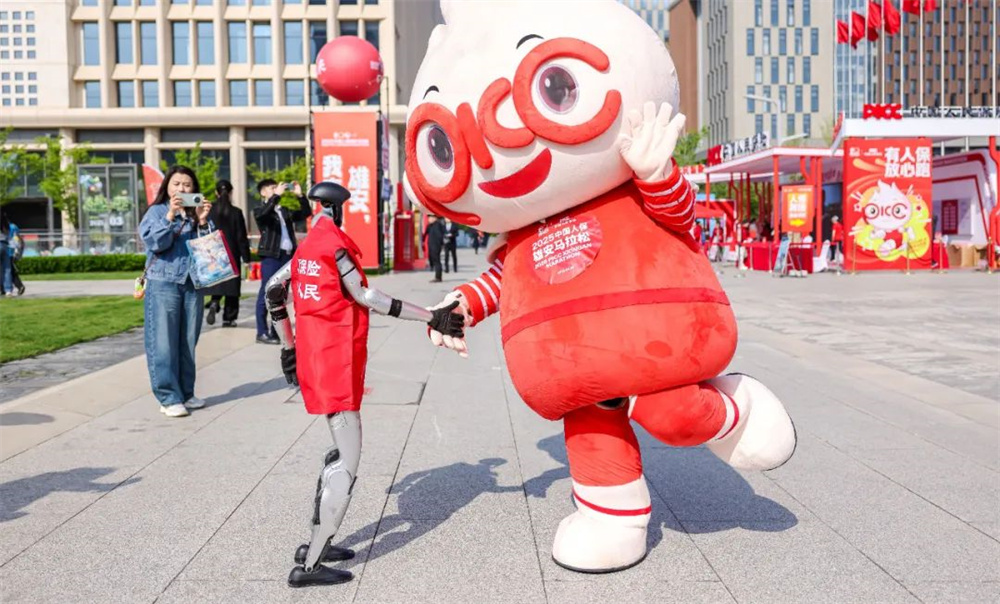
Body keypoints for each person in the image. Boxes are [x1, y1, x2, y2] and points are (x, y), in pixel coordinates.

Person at [264, 181, 467, 587]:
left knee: (336, 454)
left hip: (316, 358)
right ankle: (310, 566)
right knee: (347, 461)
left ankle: (318, 542)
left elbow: (273, 292)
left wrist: (288, 347)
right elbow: (366, 295)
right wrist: (431, 316)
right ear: (338, 209)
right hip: (335, 363)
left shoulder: (307, 249)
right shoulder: (335, 249)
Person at [138, 166, 213, 418]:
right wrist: (170, 215)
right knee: (163, 342)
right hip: (163, 282)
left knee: (188, 341)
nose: (182, 188)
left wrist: (202, 220)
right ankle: (168, 397)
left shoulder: (196, 214)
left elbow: (210, 249)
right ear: (167, 187)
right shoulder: (156, 212)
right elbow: (155, 243)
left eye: (187, 185)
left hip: (192, 283)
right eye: (176, 184)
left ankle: (186, 393)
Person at [253, 179, 311, 344]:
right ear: (263, 192)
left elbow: (305, 213)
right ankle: (262, 332)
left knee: (281, 296)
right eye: (272, 188)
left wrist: (300, 195)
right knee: (266, 293)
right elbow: (263, 215)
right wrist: (275, 196)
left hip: (287, 257)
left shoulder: (283, 211)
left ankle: (276, 331)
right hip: (271, 257)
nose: (277, 190)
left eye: (277, 187)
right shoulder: (261, 210)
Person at [202, 180, 251, 327]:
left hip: (214, 253)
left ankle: (214, 302)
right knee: (232, 288)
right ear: (230, 193)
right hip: (232, 253)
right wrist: (246, 258)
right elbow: (241, 237)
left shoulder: (209, 210)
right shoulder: (236, 212)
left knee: (218, 281)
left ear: (216, 192)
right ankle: (229, 318)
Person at [423, 215, 445, 282]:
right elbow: (425, 233)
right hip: (431, 246)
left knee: (437, 261)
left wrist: (440, 245)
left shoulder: (438, 225)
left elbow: (440, 236)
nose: (429, 220)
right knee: (434, 260)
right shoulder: (430, 226)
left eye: (430, 218)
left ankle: (438, 277)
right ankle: (437, 276)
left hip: (436, 246)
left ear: (434, 218)